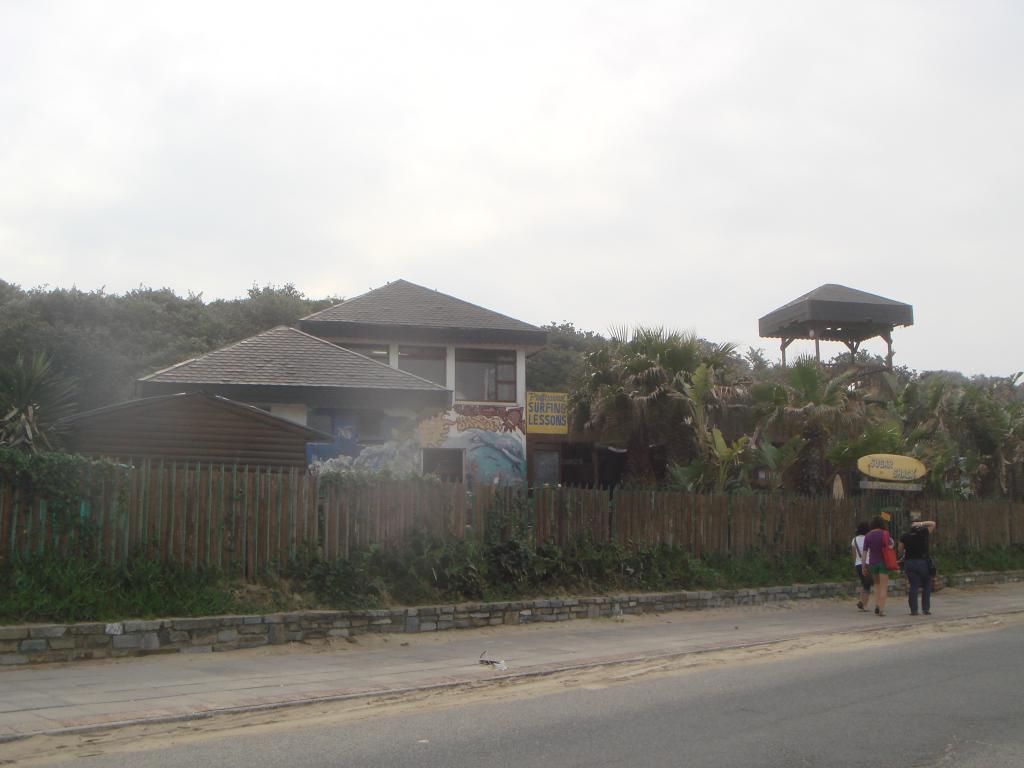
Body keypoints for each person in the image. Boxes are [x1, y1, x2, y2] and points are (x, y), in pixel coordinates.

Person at [899, 513, 937, 616]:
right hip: (923, 562)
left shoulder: (905, 536)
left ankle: (914, 610)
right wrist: (921, 523)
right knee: (926, 584)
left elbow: (900, 549)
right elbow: (933, 523)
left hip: (910, 563)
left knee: (913, 586)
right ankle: (925, 609)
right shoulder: (923, 533)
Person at [861, 516, 897, 616]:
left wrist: (863, 566)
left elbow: (864, 553)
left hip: (873, 563)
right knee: (883, 587)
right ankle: (881, 609)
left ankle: (877, 605)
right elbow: (890, 546)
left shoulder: (868, 536)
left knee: (876, 585)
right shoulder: (885, 534)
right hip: (883, 563)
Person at [851, 521, 872, 611]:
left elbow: (854, 554)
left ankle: (861, 601)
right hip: (867, 563)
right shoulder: (869, 538)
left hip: (858, 563)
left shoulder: (854, 539)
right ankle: (864, 604)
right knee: (867, 584)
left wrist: (854, 563)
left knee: (864, 582)